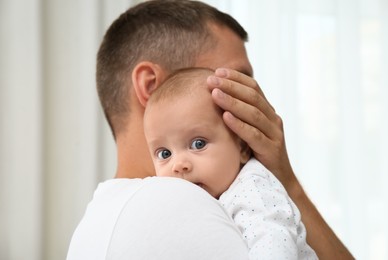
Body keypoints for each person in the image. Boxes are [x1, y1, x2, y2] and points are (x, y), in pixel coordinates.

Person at [67, 1, 354, 259]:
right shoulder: (178, 202)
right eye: (236, 81)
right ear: (152, 86)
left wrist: (286, 183)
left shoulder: (94, 221)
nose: (254, 100)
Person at [144, 67, 318, 259]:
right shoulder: (196, 202)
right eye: (165, 153)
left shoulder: (253, 189)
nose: (178, 164)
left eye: (198, 144)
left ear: (242, 148)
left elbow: (272, 245)